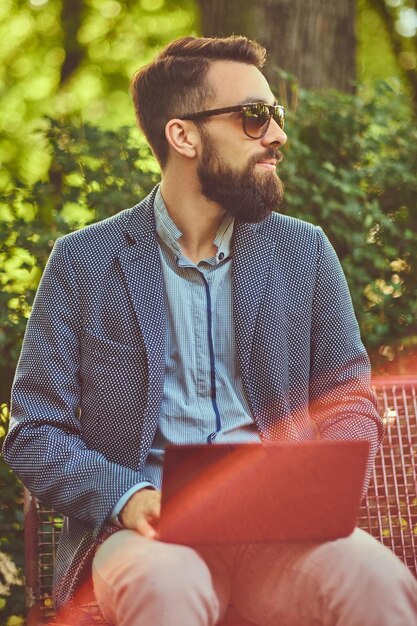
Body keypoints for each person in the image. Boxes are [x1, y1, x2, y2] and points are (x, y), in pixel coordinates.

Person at [3, 35, 417, 626]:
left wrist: (315, 493)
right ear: (184, 135)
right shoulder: (84, 262)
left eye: (275, 115)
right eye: (254, 117)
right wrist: (128, 498)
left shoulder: (305, 251)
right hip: (148, 539)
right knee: (166, 590)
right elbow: (33, 432)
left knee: (378, 583)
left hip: (285, 536)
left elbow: (348, 398)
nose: (277, 134)